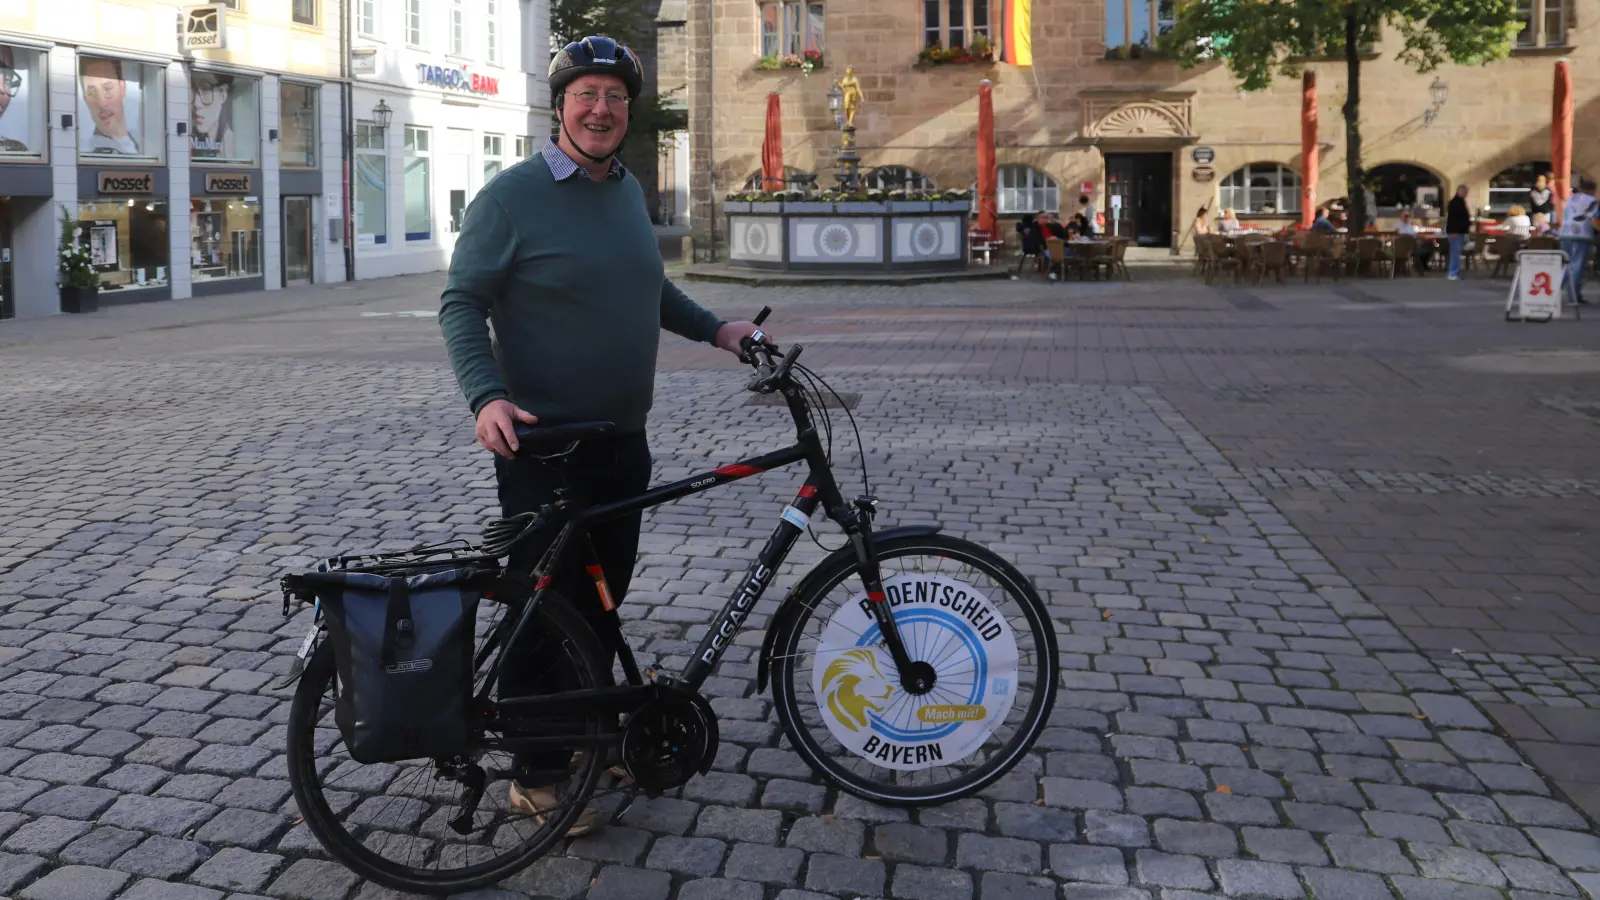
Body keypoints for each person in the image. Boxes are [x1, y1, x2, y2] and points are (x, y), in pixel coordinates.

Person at [437, 34, 766, 834]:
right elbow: (461, 302)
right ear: (560, 108)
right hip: (542, 448)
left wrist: (718, 329)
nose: (601, 109)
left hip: (623, 440)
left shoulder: (624, 190)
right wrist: (485, 398)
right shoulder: (513, 196)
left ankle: (588, 736)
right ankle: (540, 774)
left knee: (603, 603)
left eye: (615, 97)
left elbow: (647, 287)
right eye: (586, 94)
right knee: (546, 612)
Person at [80, 57, 139, 155]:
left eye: (108, 88)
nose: (102, 103)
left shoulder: (145, 145)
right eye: (91, 92)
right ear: (85, 99)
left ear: (122, 87)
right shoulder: (85, 153)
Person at [1558, 177, 1597, 303]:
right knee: (1577, 265)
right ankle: (1573, 296)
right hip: (1581, 235)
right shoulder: (1593, 201)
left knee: (1566, 264)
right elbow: (1594, 220)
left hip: (1564, 233)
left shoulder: (1572, 198)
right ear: (1593, 190)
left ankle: (1554, 292)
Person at [190, 70, 235, 160]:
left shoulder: (232, 142)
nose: (196, 103)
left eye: (205, 91)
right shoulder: (190, 139)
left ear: (222, 95)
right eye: (194, 92)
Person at [1445, 184, 1471, 280]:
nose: (1466, 194)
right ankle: (1453, 273)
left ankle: (1455, 272)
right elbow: (1453, 219)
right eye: (1465, 191)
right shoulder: (1455, 202)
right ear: (1460, 191)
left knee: (1457, 252)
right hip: (1455, 231)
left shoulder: (1460, 202)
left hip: (1460, 231)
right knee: (1455, 252)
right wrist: (1454, 231)